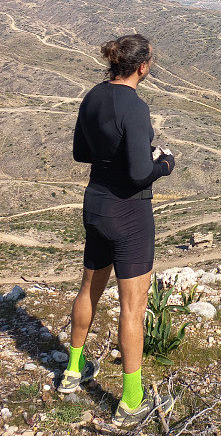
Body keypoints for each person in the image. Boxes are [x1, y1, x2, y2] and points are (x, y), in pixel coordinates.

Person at [57, 33, 176, 428]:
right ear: (142, 67)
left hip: (96, 206)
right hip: (129, 215)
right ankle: (130, 401)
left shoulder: (92, 96)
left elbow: (80, 152)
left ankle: (72, 372)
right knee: (132, 308)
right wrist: (165, 163)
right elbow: (141, 174)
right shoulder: (136, 108)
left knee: (88, 288)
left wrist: (113, 154)